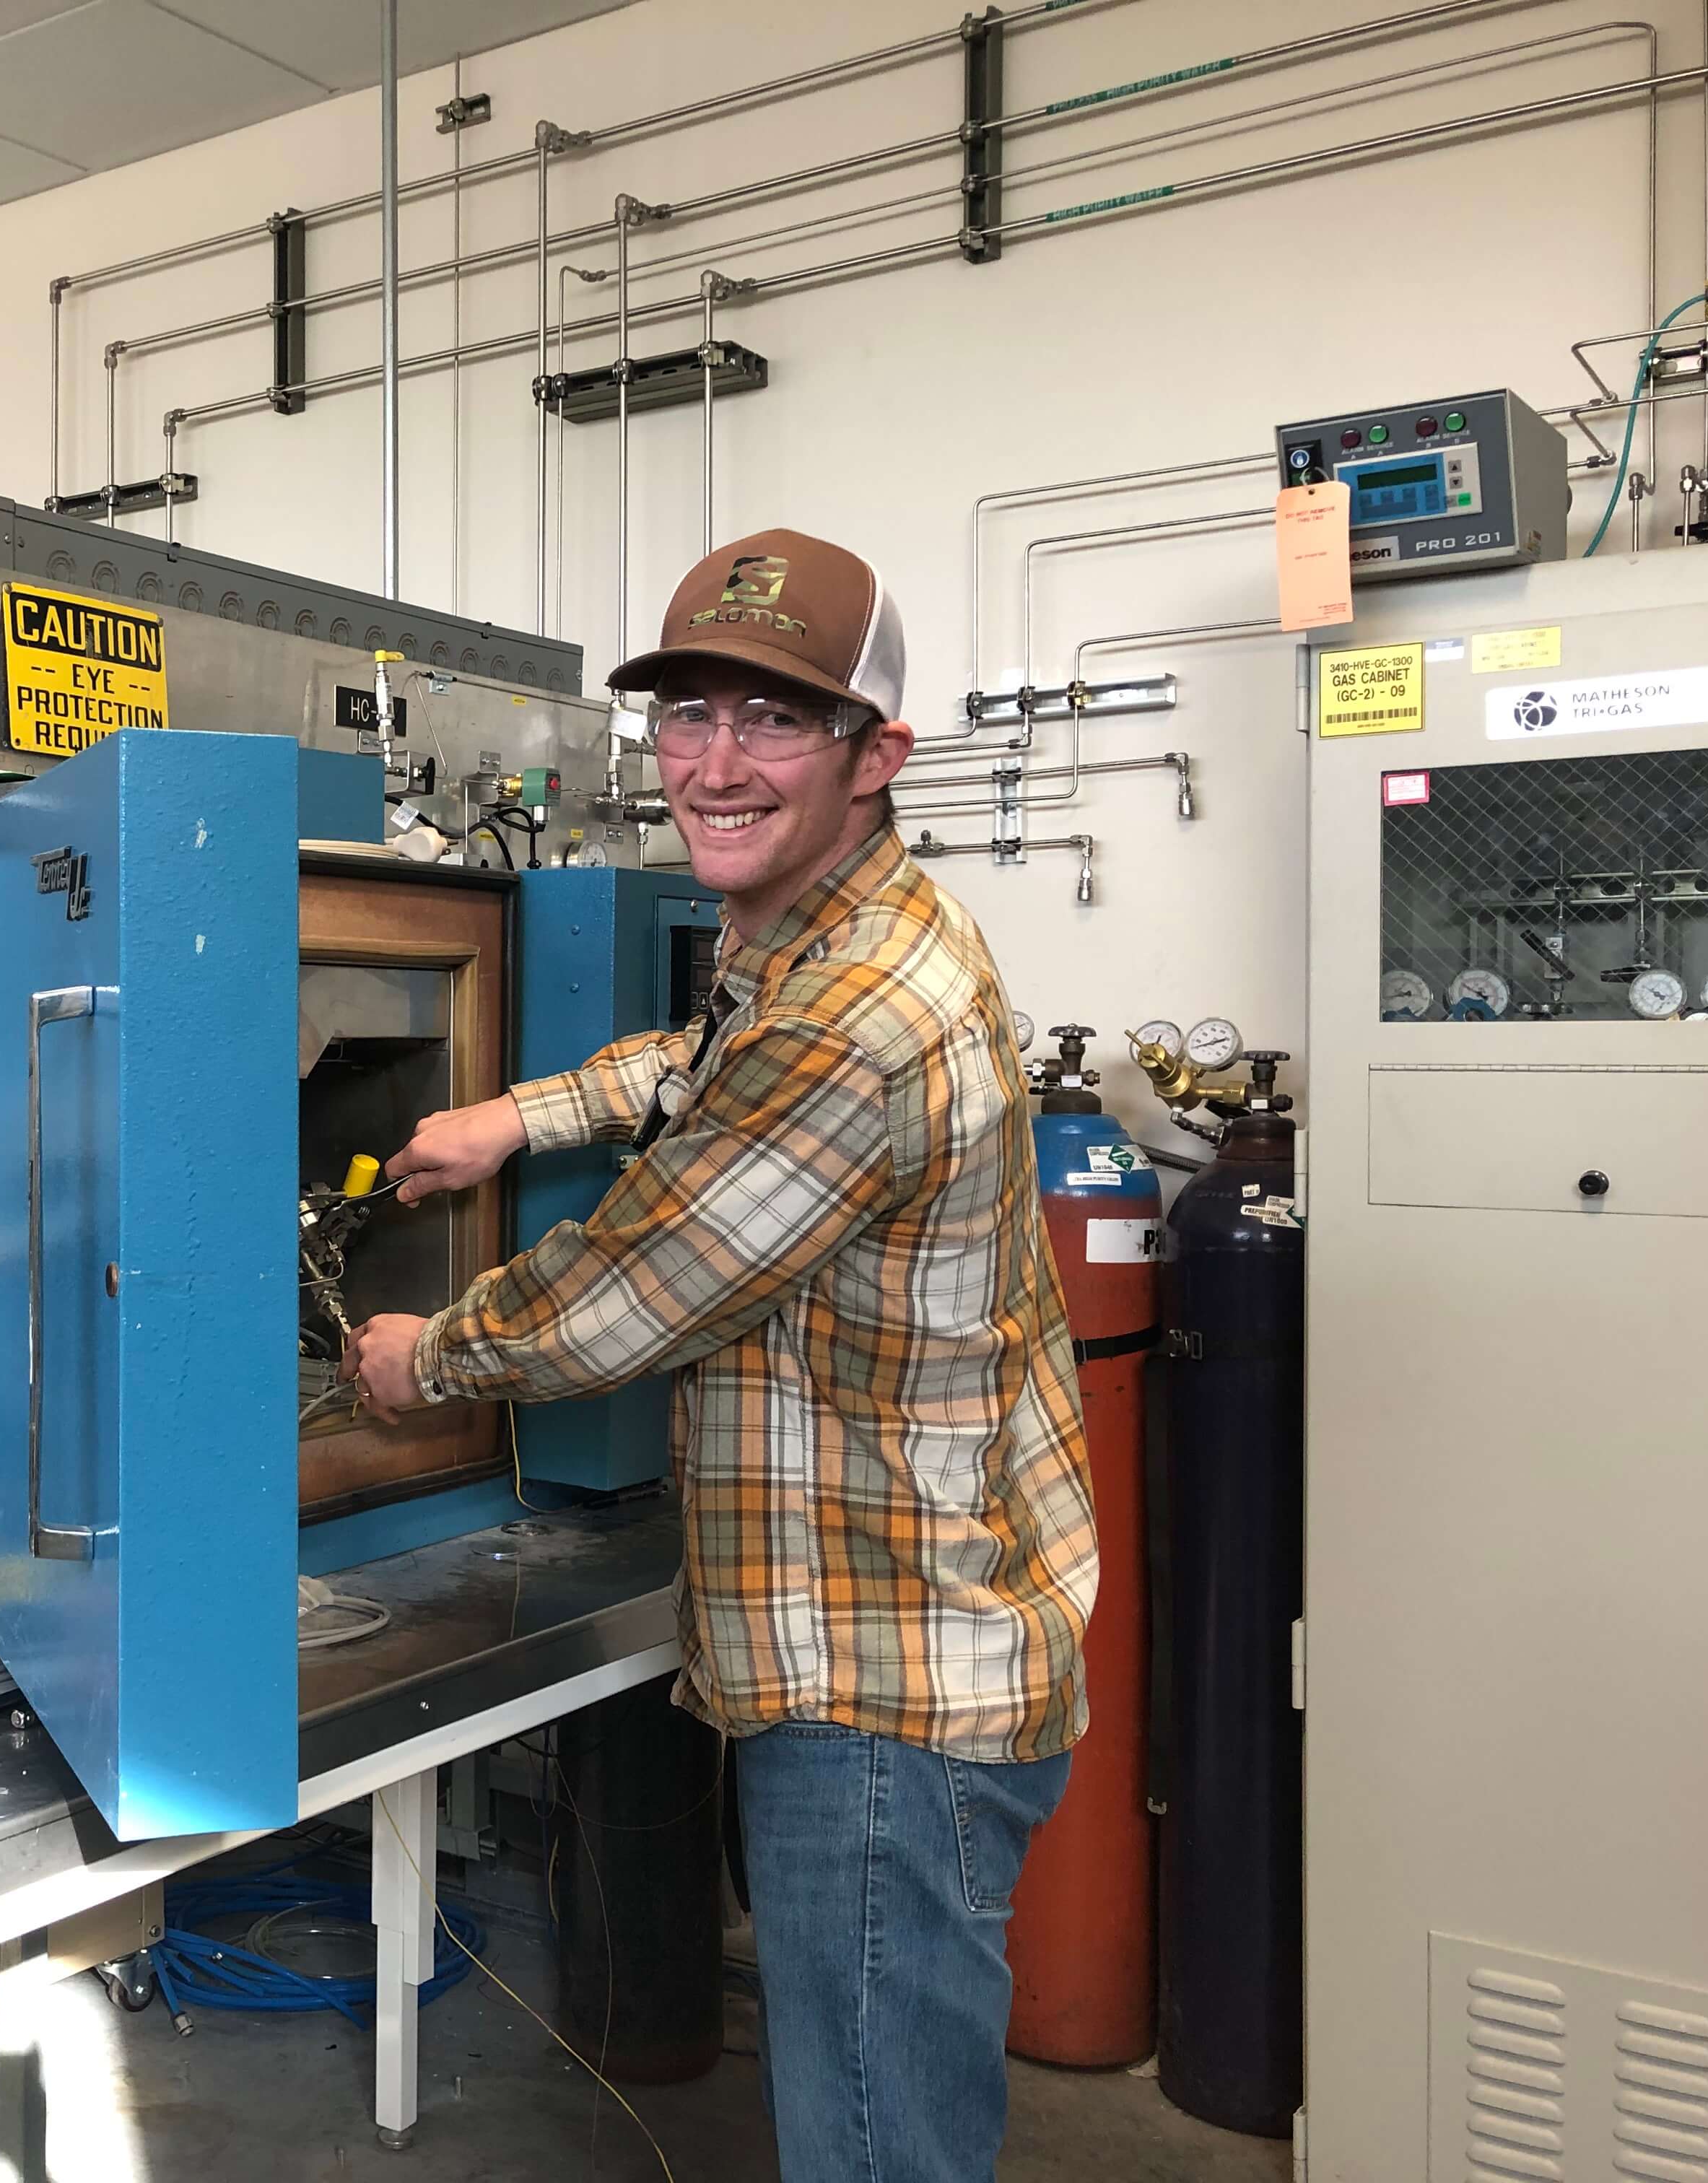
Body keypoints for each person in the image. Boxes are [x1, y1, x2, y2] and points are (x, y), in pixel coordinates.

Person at [342, 530, 1097, 2182]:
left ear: (875, 755)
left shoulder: (852, 1015)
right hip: (911, 1617)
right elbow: (688, 1063)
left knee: (875, 2143)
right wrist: (505, 1117)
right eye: (687, 716)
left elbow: (632, 1294)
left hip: (887, 1672)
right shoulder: (832, 938)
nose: (712, 763)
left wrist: (425, 1356)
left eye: (771, 721)